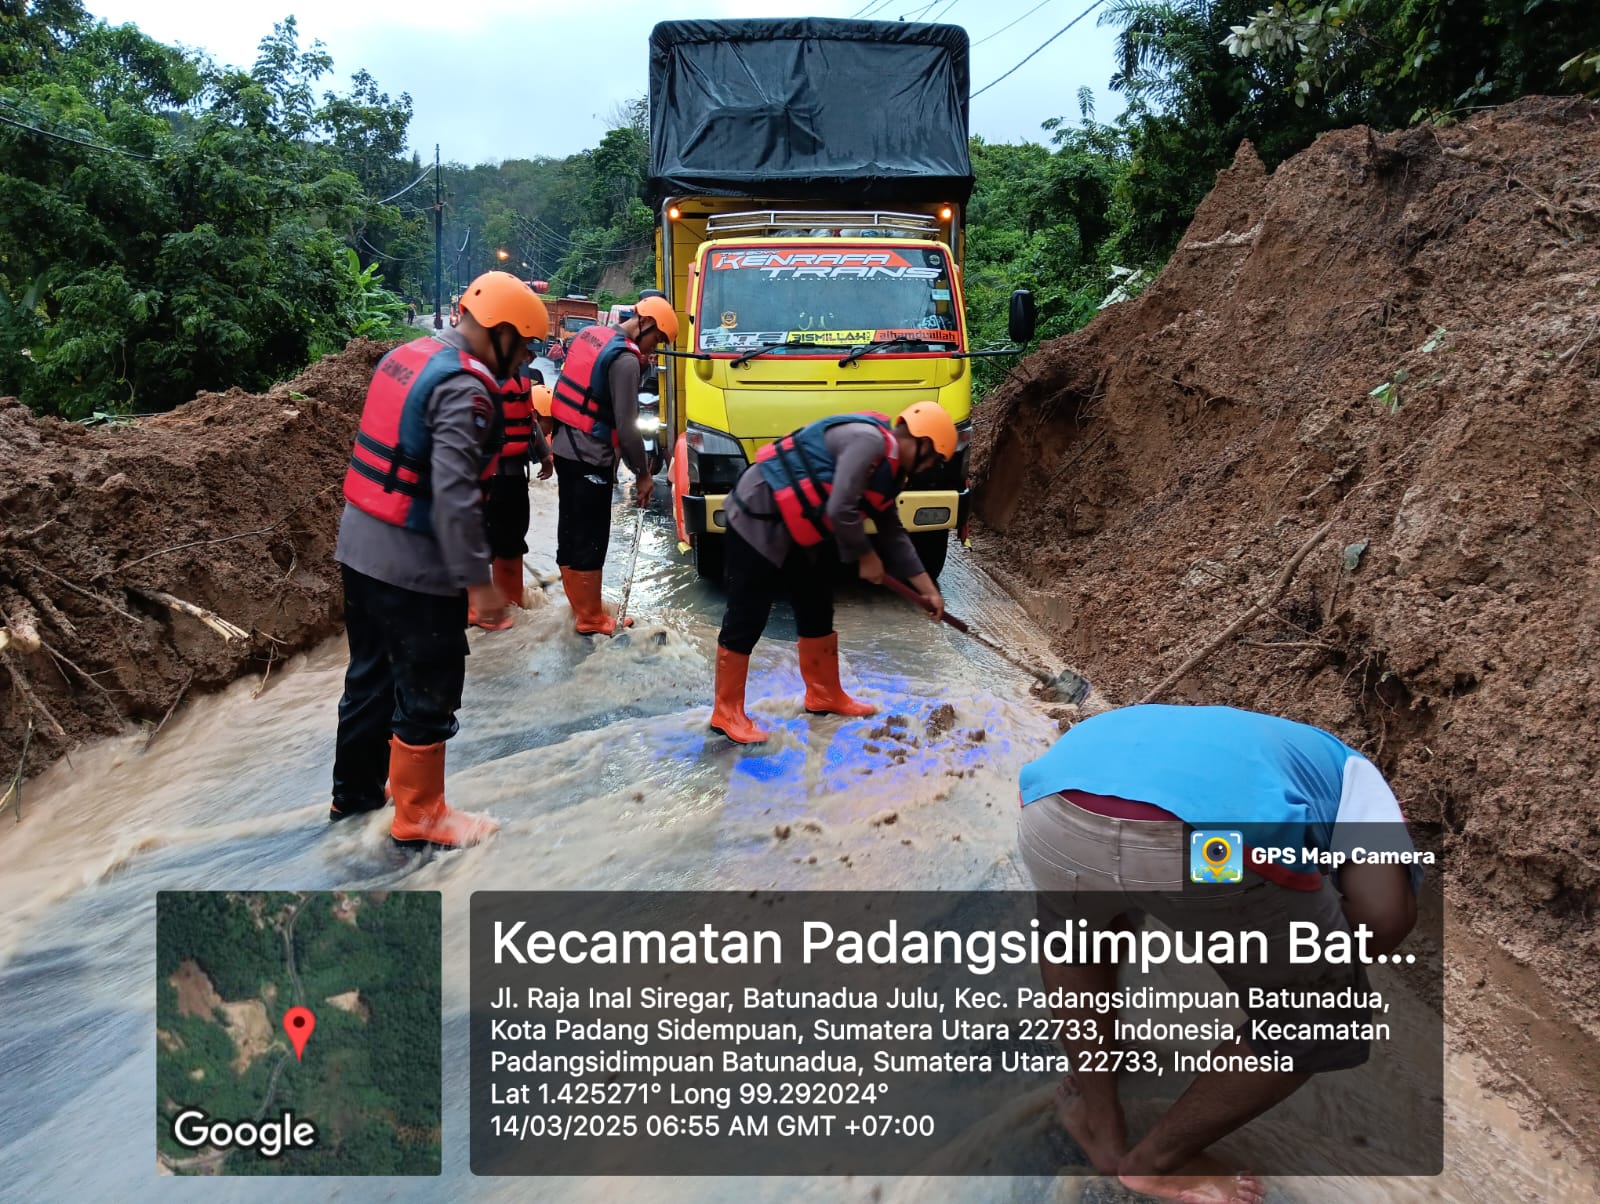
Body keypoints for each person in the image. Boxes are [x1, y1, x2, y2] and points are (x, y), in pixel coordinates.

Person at [1016, 704, 1421, 1204]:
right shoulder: (1360, 778)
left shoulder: (1254, 740)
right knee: (1319, 1010)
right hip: (1207, 845)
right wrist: (1301, 973)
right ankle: (1157, 1162)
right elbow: (1387, 915)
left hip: (1051, 813)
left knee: (1081, 942)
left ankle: (1097, 1119)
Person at [330, 270, 548, 848]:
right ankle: (420, 814)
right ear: (500, 333)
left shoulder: (406, 355)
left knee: (369, 675)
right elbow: (453, 496)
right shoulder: (466, 390)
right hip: (415, 564)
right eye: (525, 346)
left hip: (358, 546)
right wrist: (478, 584)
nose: (525, 361)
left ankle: (354, 795)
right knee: (430, 682)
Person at [709, 403, 953, 744]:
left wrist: (928, 590)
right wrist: (866, 556)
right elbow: (840, 508)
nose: (929, 469)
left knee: (816, 602)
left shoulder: (891, 470)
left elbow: (891, 531)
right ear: (923, 442)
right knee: (747, 613)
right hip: (758, 514)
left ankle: (823, 693)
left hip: (799, 527)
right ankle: (726, 712)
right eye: (934, 460)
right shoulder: (868, 441)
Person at [548, 295, 678, 634]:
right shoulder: (625, 361)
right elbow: (627, 423)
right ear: (647, 324)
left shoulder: (593, 335)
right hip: (591, 455)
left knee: (570, 529)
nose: (655, 349)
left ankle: (580, 608)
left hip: (564, 448)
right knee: (592, 537)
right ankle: (591, 618)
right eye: (657, 340)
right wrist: (644, 474)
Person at [469, 347, 556, 630]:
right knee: (481, 544)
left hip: (514, 477)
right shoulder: (476, 373)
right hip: (484, 477)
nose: (528, 355)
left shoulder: (521, 376)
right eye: (524, 347)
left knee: (512, 543)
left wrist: (545, 455)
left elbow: (528, 419)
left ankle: (510, 606)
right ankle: (475, 609)